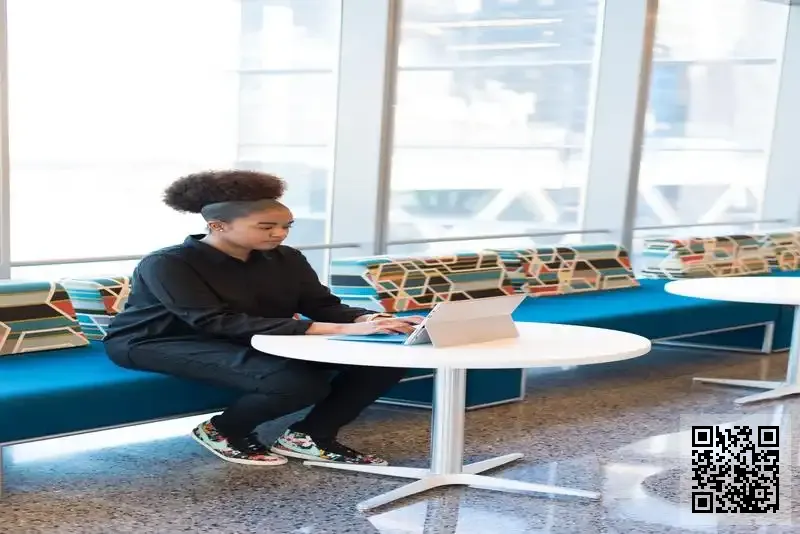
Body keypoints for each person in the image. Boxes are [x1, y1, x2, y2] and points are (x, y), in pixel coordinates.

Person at [103, 170, 422, 467]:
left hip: (250, 336)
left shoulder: (286, 258)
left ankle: (310, 436)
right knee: (295, 383)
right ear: (218, 226)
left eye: (286, 226)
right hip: (157, 341)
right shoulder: (168, 263)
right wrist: (343, 329)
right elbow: (214, 322)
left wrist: (371, 318)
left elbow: (321, 304)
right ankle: (224, 431)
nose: (279, 234)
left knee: (384, 360)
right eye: (266, 227)